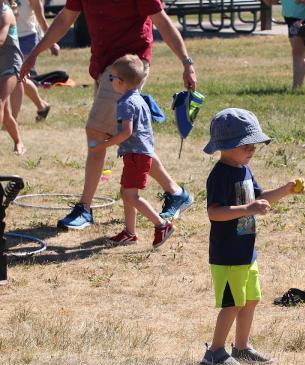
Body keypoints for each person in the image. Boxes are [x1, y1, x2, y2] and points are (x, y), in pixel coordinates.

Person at [20, 0, 197, 230]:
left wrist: (187, 62)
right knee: (126, 138)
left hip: (128, 68)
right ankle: (176, 192)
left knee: (96, 132)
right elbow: (65, 18)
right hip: (104, 67)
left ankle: (84, 208)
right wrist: (35, 52)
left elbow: (162, 23)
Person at [201, 108, 305, 365]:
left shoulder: (244, 170)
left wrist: (286, 190)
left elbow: (260, 198)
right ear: (226, 146)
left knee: (250, 299)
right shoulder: (220, 175)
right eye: (245, 145)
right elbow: (214, 213)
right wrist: (247, 209)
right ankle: (214, 352)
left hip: (246, 252)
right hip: (227, 254)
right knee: (232, 303)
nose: (252, 150)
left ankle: (242, 347)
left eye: (254, 145)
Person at [90, 55, 175, 248]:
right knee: (127, 192)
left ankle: (162, 225)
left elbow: (126, 132)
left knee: (131, 195)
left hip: (137, 155)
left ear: (119, 82)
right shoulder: (138, 99)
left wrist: (104, 144)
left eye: (111, 78)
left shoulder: (125, 103)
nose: (110, 81)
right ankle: (130, 232)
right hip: (139, 154)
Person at [11, 0, 60, 121]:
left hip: (27, 39)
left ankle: (12, 120)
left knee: (17, 77)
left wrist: (52, 43)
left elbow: (41, 20)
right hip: (9, 38)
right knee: (19, 77)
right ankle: (42, 106)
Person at [0, 0, 25, 155]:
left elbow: (1, 40)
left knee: (0, 102)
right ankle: (19, 141)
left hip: (10, 64)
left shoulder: (5, 13)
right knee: (6, 112)